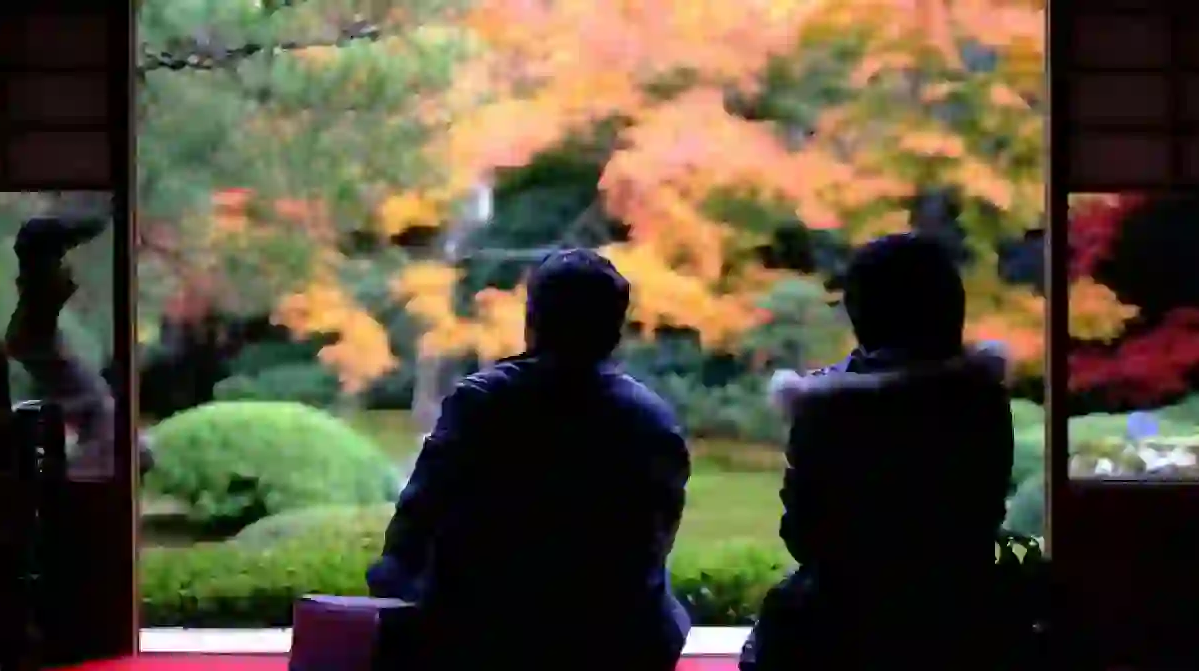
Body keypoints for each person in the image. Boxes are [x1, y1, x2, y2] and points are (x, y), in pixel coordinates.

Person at [366, 248, 691, 670]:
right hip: (611, 640)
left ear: (533, 320)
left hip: (485, 637)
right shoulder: (652, 421)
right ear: (615, 329)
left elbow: (415, 523)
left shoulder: (484, 405)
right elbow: (653, 545)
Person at [741, 233, 1018, 669]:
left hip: (837, 633)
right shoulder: (981, 399)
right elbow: (985, 515)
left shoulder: (826, 408)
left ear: (861, 311)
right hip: (963, 628)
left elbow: (803, 532)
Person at [3, 217, 154, 479]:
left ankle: (82, 474)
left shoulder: (36, 313)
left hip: (39, 341)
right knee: (98, 402)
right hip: (39, 341)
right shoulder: (35, 313)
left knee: (98, 403)